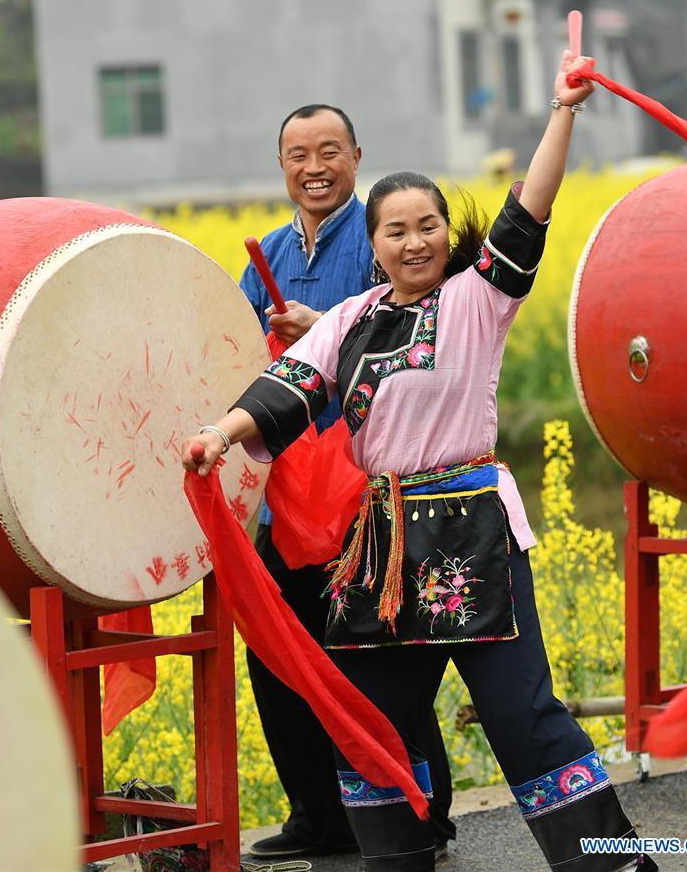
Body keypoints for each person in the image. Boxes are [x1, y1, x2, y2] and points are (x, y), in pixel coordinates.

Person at [183, 53, 656, 872]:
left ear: (445, 234)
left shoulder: (478, 298)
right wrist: (220, 435)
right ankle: (397, 861)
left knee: (523, 719)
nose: (413, 242)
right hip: (381, 548)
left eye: (426, 227)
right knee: (373, 716)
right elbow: (286, 385)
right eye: (396, 231)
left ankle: (617, 860)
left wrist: (562, 111)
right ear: (376, 245)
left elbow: (528, 209)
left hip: (471, 536)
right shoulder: (350, 319)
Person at [236, 103, 455, 859]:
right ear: (282, 165)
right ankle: (316, 816)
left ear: (356, 157)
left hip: (367, 495)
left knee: (378, 660)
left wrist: (322, 330)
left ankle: (420, 811)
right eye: (298, 153)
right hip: (288, 496)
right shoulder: (264, 251)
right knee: (278, 651)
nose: (314, 166)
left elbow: (418, 332)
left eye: (329, 150)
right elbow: (242, 363)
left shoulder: (380, 240)